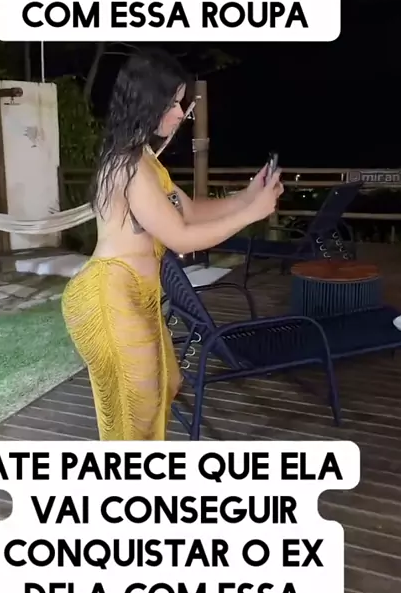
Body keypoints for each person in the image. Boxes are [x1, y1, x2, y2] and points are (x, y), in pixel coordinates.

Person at [61, 49, 283, 441]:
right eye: (173, 103)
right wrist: (251, 214)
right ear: (148, 102)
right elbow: (180, 237)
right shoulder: (129, 166)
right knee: (138, 414)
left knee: (167, 385)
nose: (181, 114)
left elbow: (191, 212)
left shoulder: (145, 159)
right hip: (109, 296)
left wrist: (248, 197)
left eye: (181, 103)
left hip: (138, 296)